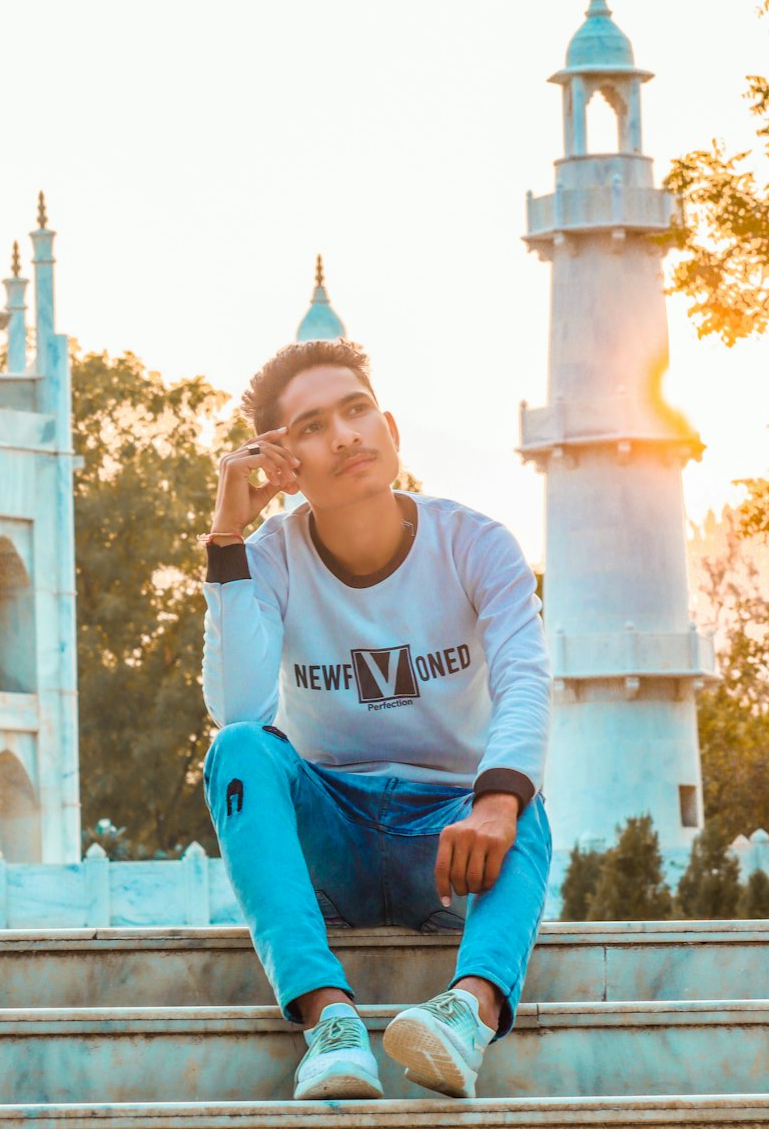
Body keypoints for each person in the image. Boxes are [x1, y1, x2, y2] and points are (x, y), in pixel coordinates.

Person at [201, 339, 551, 1101]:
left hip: (450, 847)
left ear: (390, 426)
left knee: (520, 798)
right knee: (237, 751)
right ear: (279, 463)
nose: (346, 434)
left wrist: (495, 802)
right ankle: (331, 1025)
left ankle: (467, 1014)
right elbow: (240, 711)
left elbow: (526, 680)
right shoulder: (270, 556)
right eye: (314, 425)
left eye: (357, 410)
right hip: (334, 841)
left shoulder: (476, 543)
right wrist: (227, 541)